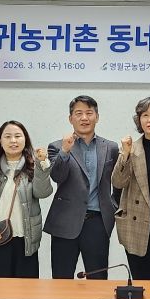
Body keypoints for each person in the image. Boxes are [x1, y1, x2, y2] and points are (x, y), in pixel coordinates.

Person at [44, 95, 120, 279]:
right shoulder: (57, 146)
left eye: (89, 113)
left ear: (97, 117)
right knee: (61, 279)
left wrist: (113, 206)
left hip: (97, 222)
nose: (84, 118)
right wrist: (65, 151)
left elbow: (118, 181)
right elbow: (57, 176)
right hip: (65, 222)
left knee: (98, 280)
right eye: (78, 113)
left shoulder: (110, 147)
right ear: (70, 118)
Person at [0, 121, 52, 278]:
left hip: (25, 240)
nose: (13, 140)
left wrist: (42, 166)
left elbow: (42, 193)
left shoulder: (33, 166)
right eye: (8, 136)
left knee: (24, 290)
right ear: (0, 141)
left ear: (25, 139)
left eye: (18, 136)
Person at [111, 97, 150, 280]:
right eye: (145, 115)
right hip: (135, 226)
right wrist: (125, 154)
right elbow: (118, 182)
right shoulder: (131, 148)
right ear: (139, 120)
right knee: (140, 282)